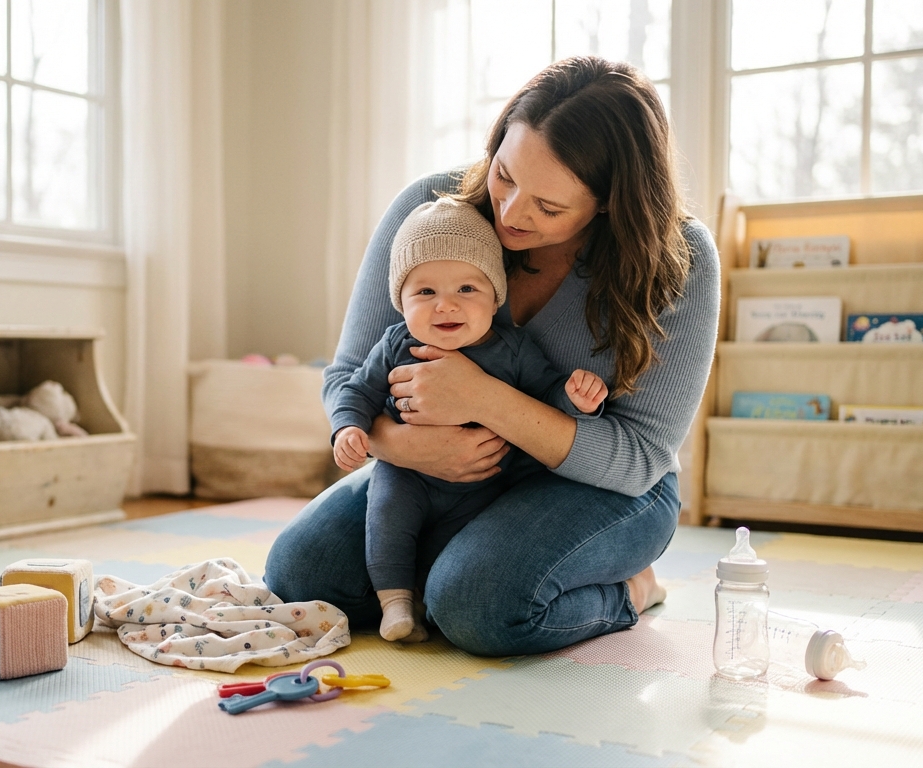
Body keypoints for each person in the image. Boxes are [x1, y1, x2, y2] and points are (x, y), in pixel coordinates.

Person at [264, 55, 720, 657]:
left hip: (601, 487)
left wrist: (482, 398)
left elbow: (639, 459)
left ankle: (630, 591)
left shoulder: (677, 259)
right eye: (505, 175)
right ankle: (462, 563)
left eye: (548, 207)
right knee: (301, 576)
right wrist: (401, 445)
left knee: (475, 607)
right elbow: (351, 373)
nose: (509, 213)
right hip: (432, 472)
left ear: (611, 201)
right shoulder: (432, 211)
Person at [331, 197, 608, 643]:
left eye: (466, 290)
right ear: (399, 301)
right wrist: (350, 428)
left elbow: (545, 392)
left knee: (460, 557)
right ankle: (396, 603)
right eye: (425, 293)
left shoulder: (512, 349)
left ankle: (430, 599)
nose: (446, 306)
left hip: (486, 484)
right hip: (406, 475)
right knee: (385, 520)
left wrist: (575, 398)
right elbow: (356, 389)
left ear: (495, 295)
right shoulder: (394, 343)